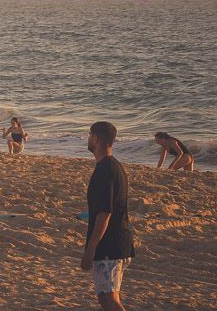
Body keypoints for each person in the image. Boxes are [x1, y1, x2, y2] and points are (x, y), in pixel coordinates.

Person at [83, 121, 134, 311]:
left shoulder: (105, 170)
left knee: (108, 299)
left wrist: (91, 248)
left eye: (90, 135)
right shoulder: (114, 166)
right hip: (118, 242)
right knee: (109, 297)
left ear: (96, 138)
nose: (88, 138)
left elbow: (104, 214)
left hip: (109, 245)